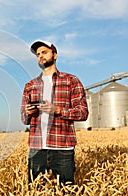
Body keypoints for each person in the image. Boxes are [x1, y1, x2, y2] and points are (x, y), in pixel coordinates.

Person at [20, 40, 88, 185]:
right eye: (38, 54)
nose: (40, 56)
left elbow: (83, 112)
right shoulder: (30, 85)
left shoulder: (71, 81)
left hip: (62, 148)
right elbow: (23, 119)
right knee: (35, 192)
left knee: (66, 192)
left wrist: (57, 110)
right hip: (36, 148)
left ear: (55, 55)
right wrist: (28, 112)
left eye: (44, 52)